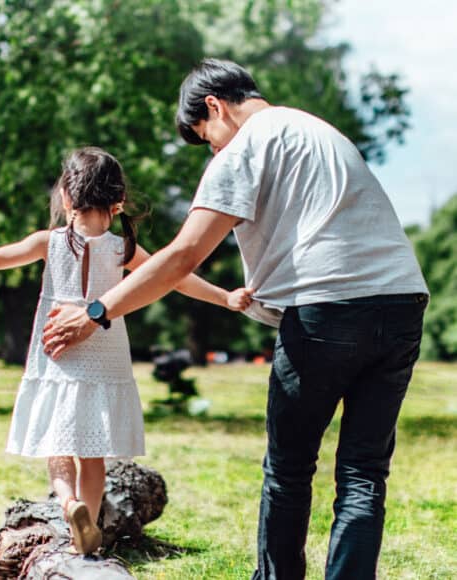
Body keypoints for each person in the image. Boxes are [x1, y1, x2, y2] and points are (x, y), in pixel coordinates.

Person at [41, 61, 429, 578]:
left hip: (326, 310)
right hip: (403, 300)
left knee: (289, 470)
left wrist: (96, 312)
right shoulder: (321, 131)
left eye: (207, 139)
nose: (214, 151)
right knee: (364, 474)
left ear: (214, 108)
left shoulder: (245, 147)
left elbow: (182, 256)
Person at [0, 146, 253, 555]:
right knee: (93, 455)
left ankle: (68, 503)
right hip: (105, 357)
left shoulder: (50, 242)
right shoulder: (123, 249)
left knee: (59, 450)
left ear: (66, 199)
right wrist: (225, 297)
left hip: (57, 354)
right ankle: (86, 531)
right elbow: (176, 277)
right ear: (119, 202)